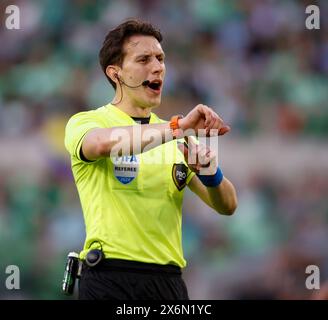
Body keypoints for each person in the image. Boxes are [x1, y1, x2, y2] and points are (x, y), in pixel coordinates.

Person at [64, 18, 237, 300]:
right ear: (115, 73)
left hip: (167, 283)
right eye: (143, 59)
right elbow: (102, 143)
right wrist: (177, 128)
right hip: (110, 277)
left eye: (160, 58)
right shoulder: (88, 122)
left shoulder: (175, 138)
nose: (157, 67)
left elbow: (228, 205)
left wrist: (210, 172)